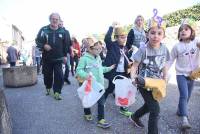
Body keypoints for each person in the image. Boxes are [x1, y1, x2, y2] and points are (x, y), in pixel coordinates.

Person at [130, 18, 169, 134]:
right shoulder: (143, 49)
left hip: (156, 84)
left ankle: (135, 116)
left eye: (159, 33)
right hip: (143, 82)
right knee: (155, 109)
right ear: (147, 34)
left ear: (163, 36)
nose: (155, 36)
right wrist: (133, 78)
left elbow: (164, 64)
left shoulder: (164, 49)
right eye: (152, 33)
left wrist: (165, 76)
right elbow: (134, 66)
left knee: (149, 105)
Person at [167, 19, 200, 129]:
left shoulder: (196, 42)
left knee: (188, 96)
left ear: (192, 31)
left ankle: (180, 110)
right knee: (184, 95)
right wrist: (164, 72)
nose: (183, 31)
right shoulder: (177, 46)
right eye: (181, 29)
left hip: (193, 74)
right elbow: (170, 60)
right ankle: (185, 119)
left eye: (186, 29)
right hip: (181, 74)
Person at [76, 38, 115, 128]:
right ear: (90, 49)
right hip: (89, 85)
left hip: (99, 85)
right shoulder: (84, 59)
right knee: (87, 100)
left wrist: (109, 68)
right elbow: (78, 70)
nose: (99, 51)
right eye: (97, 49)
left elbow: (101, 69)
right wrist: (86, 76)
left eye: (100, 49)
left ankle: (101, 119)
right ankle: (87, 112)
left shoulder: (98, 58)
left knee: (101, 102)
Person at [35, 13, 71, 100]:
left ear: (59, 20)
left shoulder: (64, 32)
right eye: (53, 19)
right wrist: (44, 45)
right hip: (47, 58)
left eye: (56, 19)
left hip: (59, 58)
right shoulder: (44, 30)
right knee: (47, 75)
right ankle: (48, 87)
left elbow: (67, 44)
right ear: (50, 19)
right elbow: (37, 41)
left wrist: (65, 56)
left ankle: (57, 92)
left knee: (59, 76)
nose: (54, 20)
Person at [103, 22, 133, 117]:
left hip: (123, 72)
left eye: (124, 37)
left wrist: (129, 66)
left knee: (123, 90)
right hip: (113, 72)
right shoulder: (111, 45)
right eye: (121, 37)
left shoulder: (125, 48)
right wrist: (111, 27)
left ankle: (123, 108)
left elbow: (126, 58)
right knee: (111, 88)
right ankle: (102, 100)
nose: (123, 39)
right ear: (116, 37)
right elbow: (107, 38)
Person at [59, 20, 72, 84]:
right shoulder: (56, 32)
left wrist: (71, 51)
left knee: (68, 66)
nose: (60, 25)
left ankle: (65, 78)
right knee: (59, 67)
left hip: (66, 52)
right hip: (59, 53)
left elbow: (69, 43)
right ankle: (60, 79)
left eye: (61, 24)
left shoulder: (67, 32)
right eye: (59, 24)